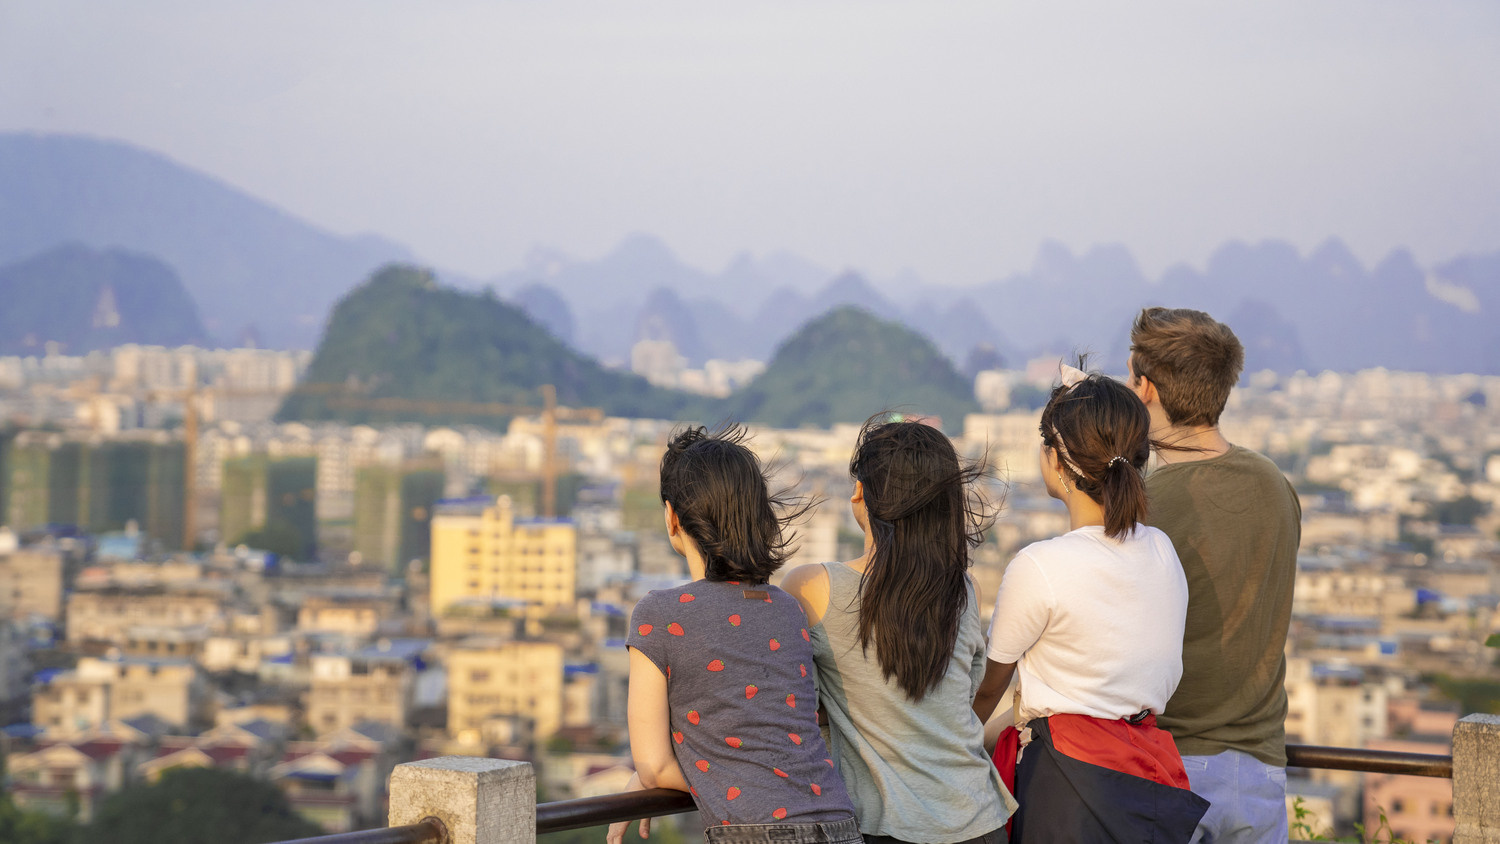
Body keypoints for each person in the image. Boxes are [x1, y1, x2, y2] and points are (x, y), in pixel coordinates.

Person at [972, 363, 1208, 842]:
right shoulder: (1162, 549)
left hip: (1069, 784)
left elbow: (984, 692)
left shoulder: (1041, 565)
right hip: (1150, 774)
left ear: (1056, 461)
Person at [609, 425, 862, 844]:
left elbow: (654, 766)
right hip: (838, 822)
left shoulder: (658, 614)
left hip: (756, 830)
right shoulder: (786, 608)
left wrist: (648, 776)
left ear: (672, 517)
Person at [782, 416, 1014, 844]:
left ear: (860, 493)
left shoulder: (811, 587)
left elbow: (794, 709)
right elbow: (960, 703)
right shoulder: (964, 589)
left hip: (883, 826)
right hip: (978, 820)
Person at [1127, 307, 1302, 843]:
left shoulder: (1144, 505)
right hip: (1261, 770)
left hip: (1170, 766)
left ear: (1146, 387)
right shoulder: (1276, 486)